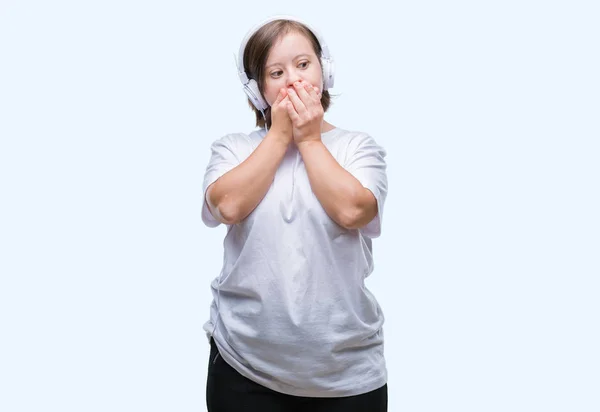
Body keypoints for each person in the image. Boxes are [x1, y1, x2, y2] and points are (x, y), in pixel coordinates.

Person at [201, 15, 389, 412]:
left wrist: (308, 139)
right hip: (243, 369)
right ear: (257, 90)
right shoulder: (233, 148)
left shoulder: (357, 147)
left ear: (325, 70)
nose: (293, 80)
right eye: (276, 72)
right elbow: (228, 205)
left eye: (303, 65)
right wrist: (281, 135)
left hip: (348, 376)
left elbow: (354, 210)